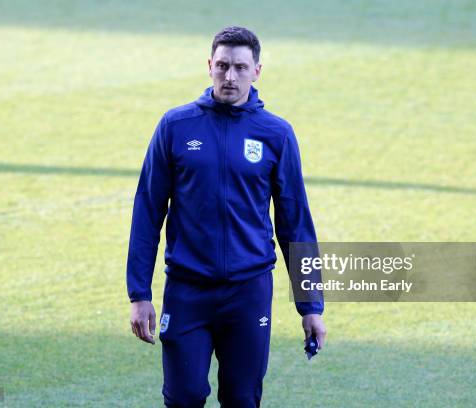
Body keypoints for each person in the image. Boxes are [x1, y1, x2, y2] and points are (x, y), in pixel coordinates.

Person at [126, 26, 326, 407]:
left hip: (248, 292)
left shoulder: (276, 134)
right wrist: (139, 293)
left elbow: (295, 222)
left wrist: (311, 305)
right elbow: (147, 210)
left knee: (242, 399)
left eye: (239, 67)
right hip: (188, 290)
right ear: (209, 66)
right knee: (183, 397)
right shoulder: (175, 126)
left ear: (257, 71)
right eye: (222, 66)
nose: (229, 77)